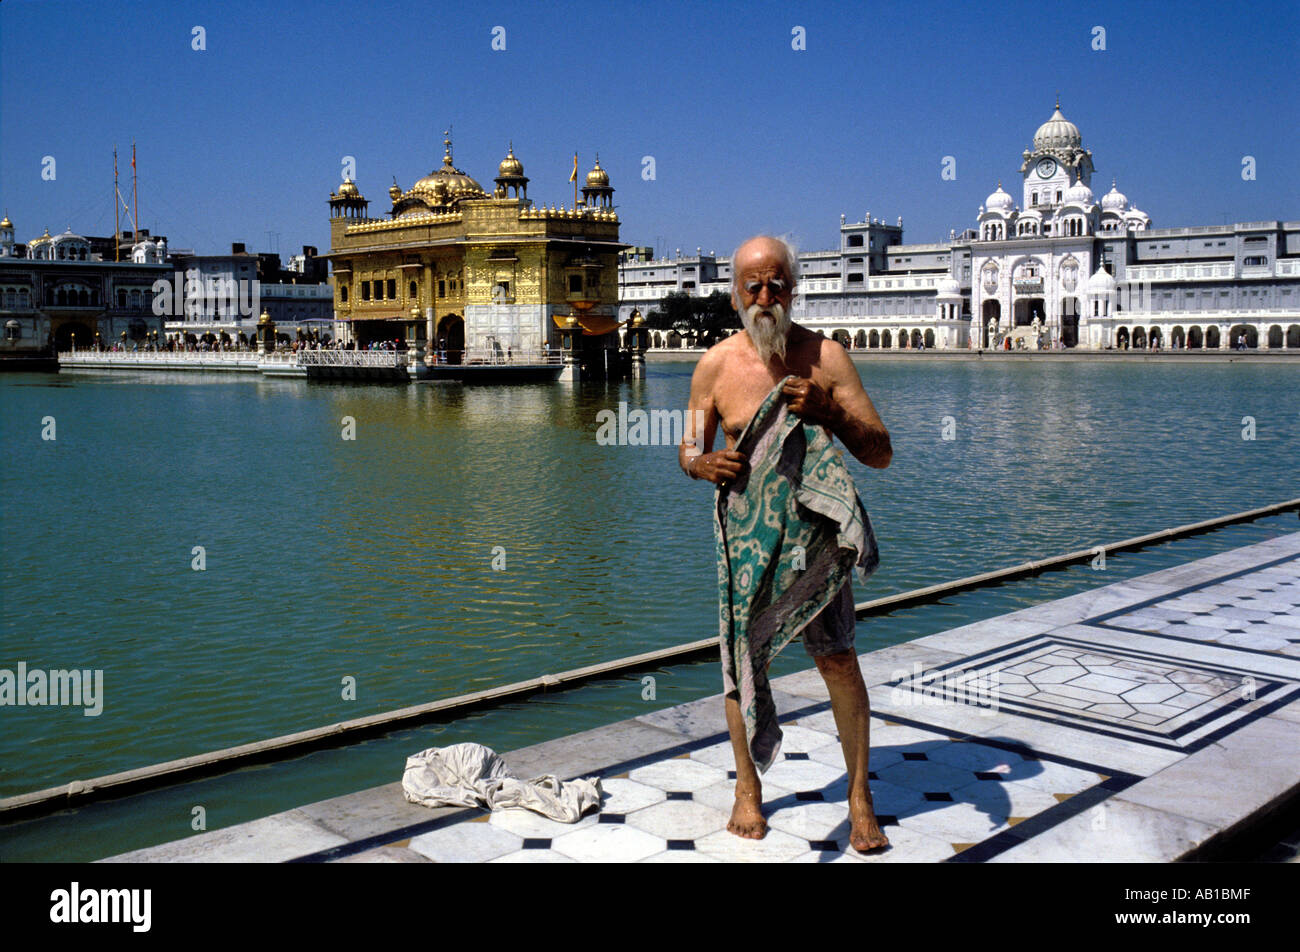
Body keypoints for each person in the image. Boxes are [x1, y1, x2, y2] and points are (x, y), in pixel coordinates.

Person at [679, 234, 892, 853]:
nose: (766, 296)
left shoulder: (826, 357)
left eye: (777, 284)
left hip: (816, 546)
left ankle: (859, 795)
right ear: (736, 295)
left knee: (838, 660)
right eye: (754, 285)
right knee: (740, 667)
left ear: (793, 290)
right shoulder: (715, 367)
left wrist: (831, 413)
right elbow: (689, 449)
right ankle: (747, 787)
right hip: (747, 546)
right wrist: (702, 464)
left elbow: (880, 453)